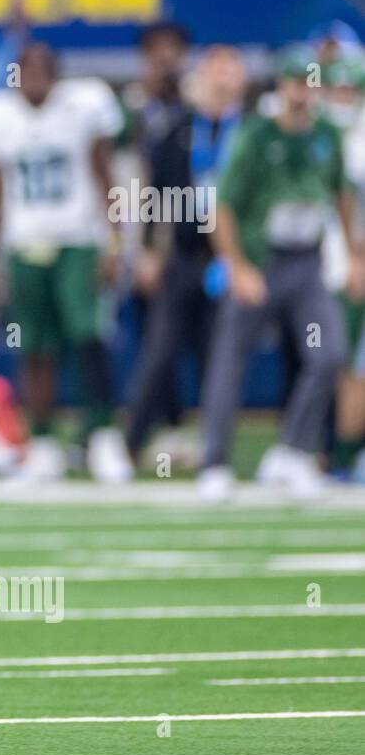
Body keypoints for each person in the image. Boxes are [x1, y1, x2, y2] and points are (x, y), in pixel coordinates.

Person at [197, 48, 365, 501]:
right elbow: (223, 207)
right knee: (231, 360)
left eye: (311, 83)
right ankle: (215, 462)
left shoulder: (326, 136)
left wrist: (353, 255)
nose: (303, 92)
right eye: (296, 82)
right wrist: (238, 266)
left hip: (306, 262)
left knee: (329, 352)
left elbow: (342, 197)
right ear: (281, 86)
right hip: (261, 259)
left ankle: (292, 452)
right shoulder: (256, 136)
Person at [0, 43, 133, 482]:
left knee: (88, 338)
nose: (36, 80)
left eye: (45, 71)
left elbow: (106, 175)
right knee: (34, 347)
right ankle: (41, 442)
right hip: (24, 244)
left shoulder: (84, 108)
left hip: (78, 241)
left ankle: (103, 436)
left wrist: (116, 241)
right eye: (28, 71)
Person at [123, 45, 247, 465]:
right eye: (215, 70)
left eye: (231, 71)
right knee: (160, 352)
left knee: (222, 360)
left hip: (234, 263)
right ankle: (130, 445)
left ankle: (218, 453)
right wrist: (147, 251)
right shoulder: (178, 130)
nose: (222, 80)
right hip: (185, 258)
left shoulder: (249, 131)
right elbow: (156, 196)